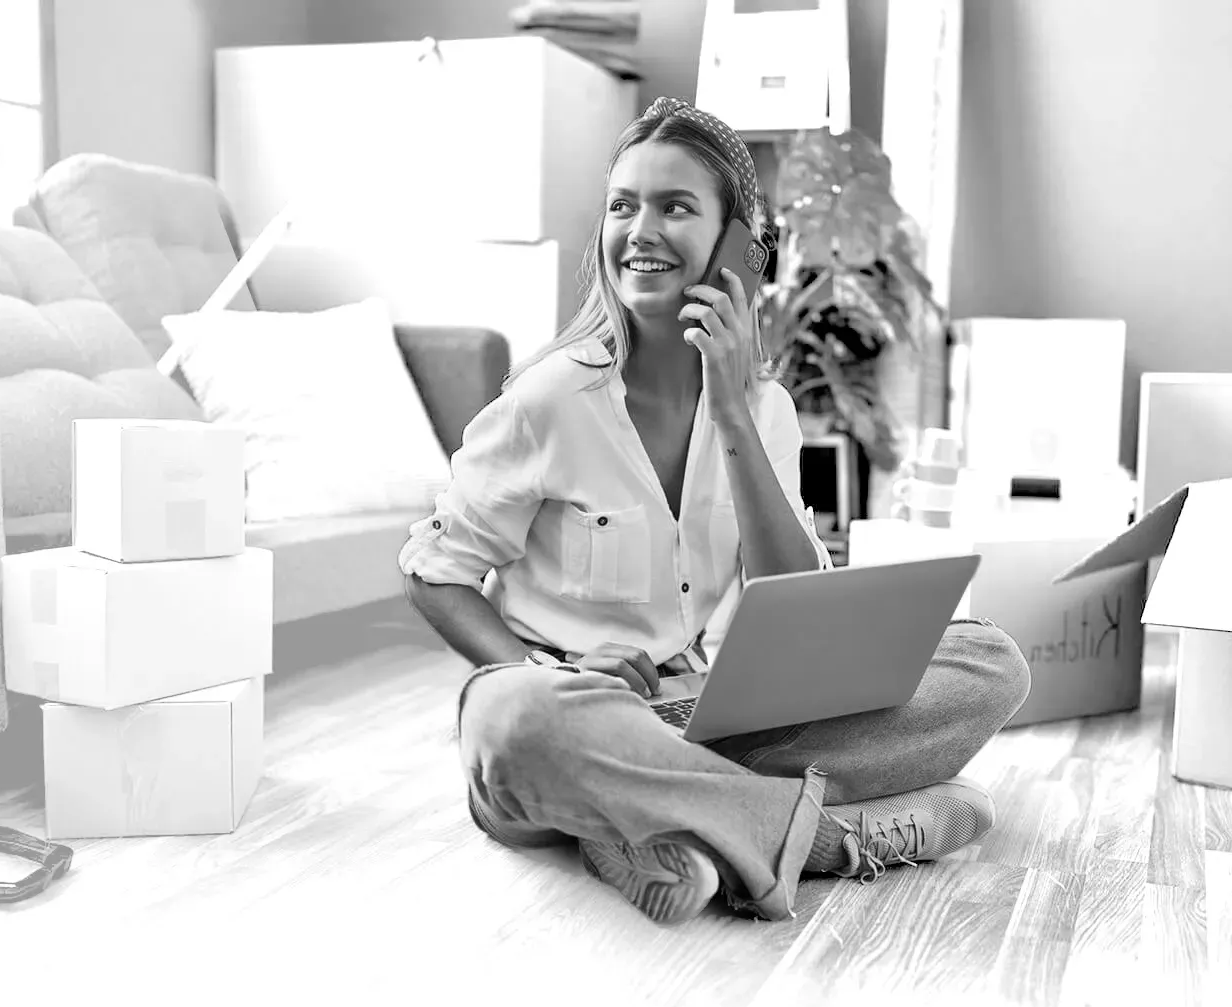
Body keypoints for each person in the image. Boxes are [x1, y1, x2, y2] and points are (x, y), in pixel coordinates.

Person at [400, 97, 1031, 924]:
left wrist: (731, 409)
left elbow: (798, 600)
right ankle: (824, 837)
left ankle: (656, 829)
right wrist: (549, 673)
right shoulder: (548, 400)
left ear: (739, 247)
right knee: (506, 717)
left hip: (696, 715)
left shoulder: (763, 411)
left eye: (674, 207)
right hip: (577, 720)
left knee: (989, 662)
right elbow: (433, 574)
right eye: (622, 206)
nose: (640, 230)